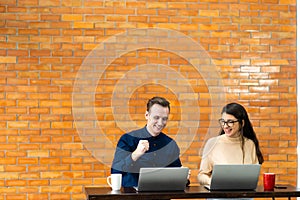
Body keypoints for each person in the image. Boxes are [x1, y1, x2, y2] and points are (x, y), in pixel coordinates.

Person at [111, 96, 190, 188]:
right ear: (147, 115)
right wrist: (135, 155)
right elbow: (115, 172)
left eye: (164, 119)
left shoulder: (170, 144)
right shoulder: (128, 139)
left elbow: (176, 178)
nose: (160, 123)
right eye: (156, 117)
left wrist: (184, 178)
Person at [198, 102, 264, 186]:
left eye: (230, 122)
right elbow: (201, 175)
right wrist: (212, 182)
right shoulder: (212, 143)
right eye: (223, 121)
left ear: (242, 123)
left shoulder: (249, 144)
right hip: (219, 196)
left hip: (244, 195)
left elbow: (254, 176)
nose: (225, 126)